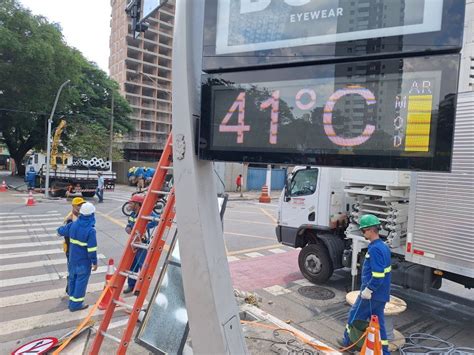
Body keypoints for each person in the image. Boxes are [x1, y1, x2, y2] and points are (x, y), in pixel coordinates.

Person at [339, 214, 391, 354]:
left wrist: (368, 290)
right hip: (381, 295)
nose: (363, 233)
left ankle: (347, 343)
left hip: (372, 295)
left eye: (363, 230)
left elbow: (378, 275)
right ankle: (384, 351)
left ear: (370, 230)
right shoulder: (383, 246)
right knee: (379, 324)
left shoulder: (375, 249)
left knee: (354, 316)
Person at [57, 202, 98, 312]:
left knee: (72, 279)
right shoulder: (91, 230)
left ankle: (72, 301)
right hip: (83, 262)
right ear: (91, 215)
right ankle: (75, 305)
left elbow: (61, 230)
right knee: (81, 282)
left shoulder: (73, 224)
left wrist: (61, 228)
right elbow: (92, 250)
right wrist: (94, 262)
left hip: (72, 260)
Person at [123, 194, 158, 294]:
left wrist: (145, 226)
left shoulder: (146, 213)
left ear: (138, 204)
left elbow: (157, 220)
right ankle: (131, 285)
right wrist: (128, 227)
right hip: (133, 243)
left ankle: (141, 288)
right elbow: (130, 223)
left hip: (142, 243)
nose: (129, 204)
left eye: (132, 203)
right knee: (131, 265)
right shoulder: (133, 214)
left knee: (142, 265)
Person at [62, 197, 86, 294]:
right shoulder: (70, 219)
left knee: (76, 270)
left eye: (82, 205)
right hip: (71, 250)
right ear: (73, 206)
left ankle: (71, 288)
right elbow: (68, 238)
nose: (80, 207)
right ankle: (70, 289)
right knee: (72, 270)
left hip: (77, 250)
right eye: (78, 205)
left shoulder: (81, 216)